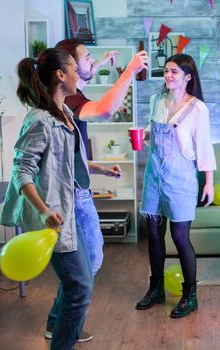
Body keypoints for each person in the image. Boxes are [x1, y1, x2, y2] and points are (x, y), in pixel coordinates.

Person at [40, 39, 148, 342]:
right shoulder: (69, 102)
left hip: (79, 192)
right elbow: (104, 110)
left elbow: (71, 153)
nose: (89, 64)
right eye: (84, 60)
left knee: (87, 265)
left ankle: (56, 320)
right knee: (86, 268)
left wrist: (97, 169)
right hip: (73, 198)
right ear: (63, 72)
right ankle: (58, 323)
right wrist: (128, 70)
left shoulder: (72, 96)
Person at [0, 48, 94, 350]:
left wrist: (101, 167)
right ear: (60, 75)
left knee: (80, 282)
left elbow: (65, 161)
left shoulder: (64, 114)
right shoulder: (40, 119)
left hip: (66, 211)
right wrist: (43, 211)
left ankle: (59, 331)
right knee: (79, 286)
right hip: (51, 218)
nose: (79, 75)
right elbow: (21, 172)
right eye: (75, 69)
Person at [136, 54, 216, 318]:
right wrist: (142, 135)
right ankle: (156, 287)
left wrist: (209, 183)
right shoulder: (156, 100)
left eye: (174, 72)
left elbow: (204, 147)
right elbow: (152, 132)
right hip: (154, 176)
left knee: (180, 237)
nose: (168, 76)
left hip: (181, 178)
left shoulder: (197, 109)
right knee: (155, 234)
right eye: (166, 71)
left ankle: (190, 295)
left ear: (188, 77)